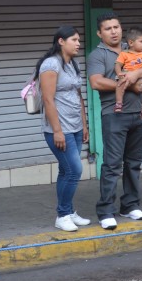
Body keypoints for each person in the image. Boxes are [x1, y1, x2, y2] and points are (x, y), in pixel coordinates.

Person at [87, 11, 142, 230]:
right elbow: (96, 82)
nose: (113, 31)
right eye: (108, 28)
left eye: (116, 27)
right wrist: (130, 84)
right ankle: (105, 211)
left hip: (139, 114)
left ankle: (130, 205)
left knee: (134, 163)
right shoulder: (98, 55)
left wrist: (137, 74)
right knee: (112, 165)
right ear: (99, 33)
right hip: (114, 114)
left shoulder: (133, 49)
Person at [35, 25, 91, 232]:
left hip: (75, 127)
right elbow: (48, 100)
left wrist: (84, 125)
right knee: (74, 170)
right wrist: (57, 130)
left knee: (65, 171)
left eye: (78, 40)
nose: (78, 44)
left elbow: (78, 96)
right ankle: (62, 214)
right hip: (59, 129)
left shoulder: (72, 64)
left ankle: (68, 211)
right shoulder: (51, 64)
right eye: (74, 40)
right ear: (61, 41)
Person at [114, 27, 142, 117]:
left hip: (141, 77)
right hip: (126, 73)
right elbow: (117, 65)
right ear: (131, 43)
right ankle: (119, 103)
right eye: (141, 41)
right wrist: (119, 74)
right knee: (119, 85)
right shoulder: (124, 53)